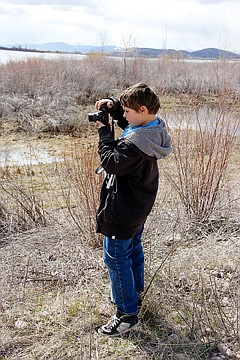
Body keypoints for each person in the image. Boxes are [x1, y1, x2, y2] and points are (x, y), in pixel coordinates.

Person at [94, 83, 172, 337]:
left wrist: (105, 132)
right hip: (138, 208)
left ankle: (126, 314)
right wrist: (115, 107)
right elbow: (131, 126)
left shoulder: (135, 143)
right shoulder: (155, 128)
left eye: (127, 111)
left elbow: (111, 162)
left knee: (116, 260)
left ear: (141, 109)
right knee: (133, 251)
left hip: (122, 212)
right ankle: (133, 295)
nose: (124, 117)